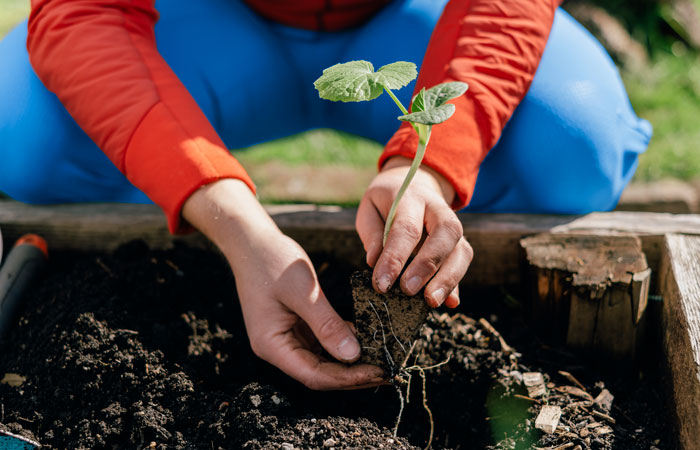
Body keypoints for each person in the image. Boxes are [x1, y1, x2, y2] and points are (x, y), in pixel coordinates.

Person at [0, 0, 651, 390]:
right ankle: (142, 252)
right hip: (209, 25)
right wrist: (230, 219)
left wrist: (432, 165)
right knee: (22, 138)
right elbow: (83, 12)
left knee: (574, 149)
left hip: (407, 25)